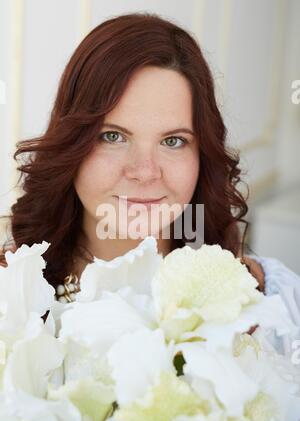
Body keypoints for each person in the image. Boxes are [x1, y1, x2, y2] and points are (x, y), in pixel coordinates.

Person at [0, 13, 299, 339]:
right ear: (71, 143)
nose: (145, 171)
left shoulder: (270, 303)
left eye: (173, 141)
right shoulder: (10, 297)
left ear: (202, 156)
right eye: (112, 136)